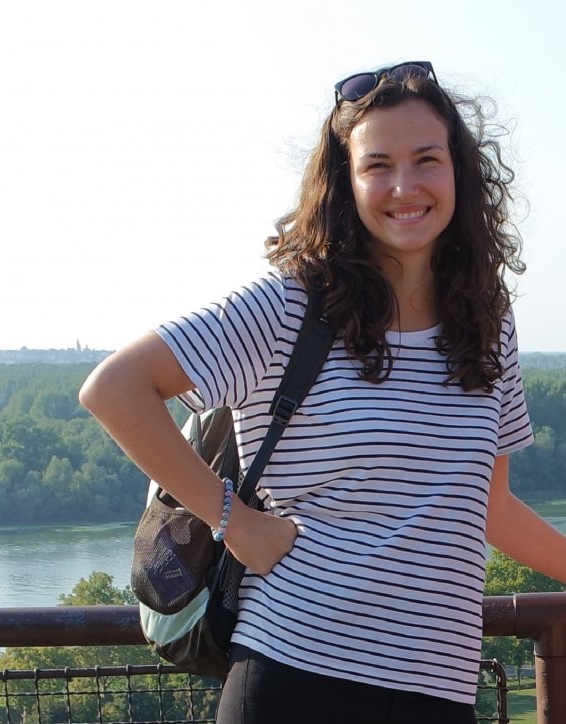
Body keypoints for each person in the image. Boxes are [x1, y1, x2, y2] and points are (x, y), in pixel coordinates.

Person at [79, 61, 566, 724]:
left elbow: (492, 507)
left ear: (458, 170)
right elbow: (115, 388)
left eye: (426, 159)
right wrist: (235, 522)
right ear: (346, 181)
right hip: (293, 677)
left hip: (439, 691)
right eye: (377, 165)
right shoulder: (293, 305)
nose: (404, 187)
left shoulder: (486, 322)